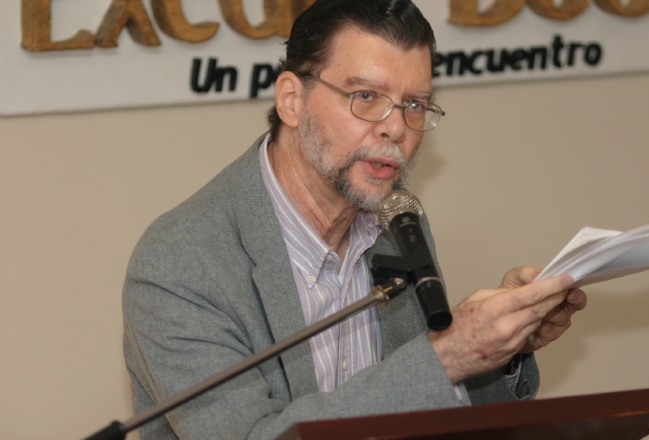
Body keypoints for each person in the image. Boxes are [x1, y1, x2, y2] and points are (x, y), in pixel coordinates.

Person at [122, 1, 587, 439]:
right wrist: (445, 358)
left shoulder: (398, 223)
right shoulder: (180, 262)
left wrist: (501, 347)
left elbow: (437, 411)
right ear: (291, 99)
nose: (396, 127)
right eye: (366, 96)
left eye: (414, 104)